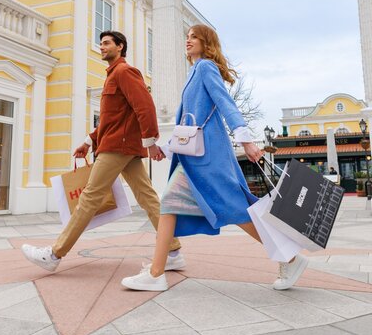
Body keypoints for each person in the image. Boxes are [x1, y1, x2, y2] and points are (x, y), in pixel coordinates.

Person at [122, 25, 308, 292]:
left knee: (235, 211)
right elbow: (190, 121)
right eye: (186, 36)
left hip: (207, 159)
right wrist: (168, 145)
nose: (188, 40)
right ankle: (156, 272)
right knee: (170, 206)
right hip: (194, 158)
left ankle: (290, 258)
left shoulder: (206, 68)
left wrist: (246, 140)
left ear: (206, 42)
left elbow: (225, 104)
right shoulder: (194, 71)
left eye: (194, 37)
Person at [22, 30, 184, 272]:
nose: (102, 47)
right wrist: (88, 141)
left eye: (107, 43)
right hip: (120, 144)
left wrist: (150, 142)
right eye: (101, 43)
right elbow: (111, 120)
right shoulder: (112, 76)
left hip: (118, 147)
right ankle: (172, 250)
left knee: (89, 197)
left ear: (120, 47)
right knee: (147, 197)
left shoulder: (124, 72)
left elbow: (145, 107)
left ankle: (54, 254)